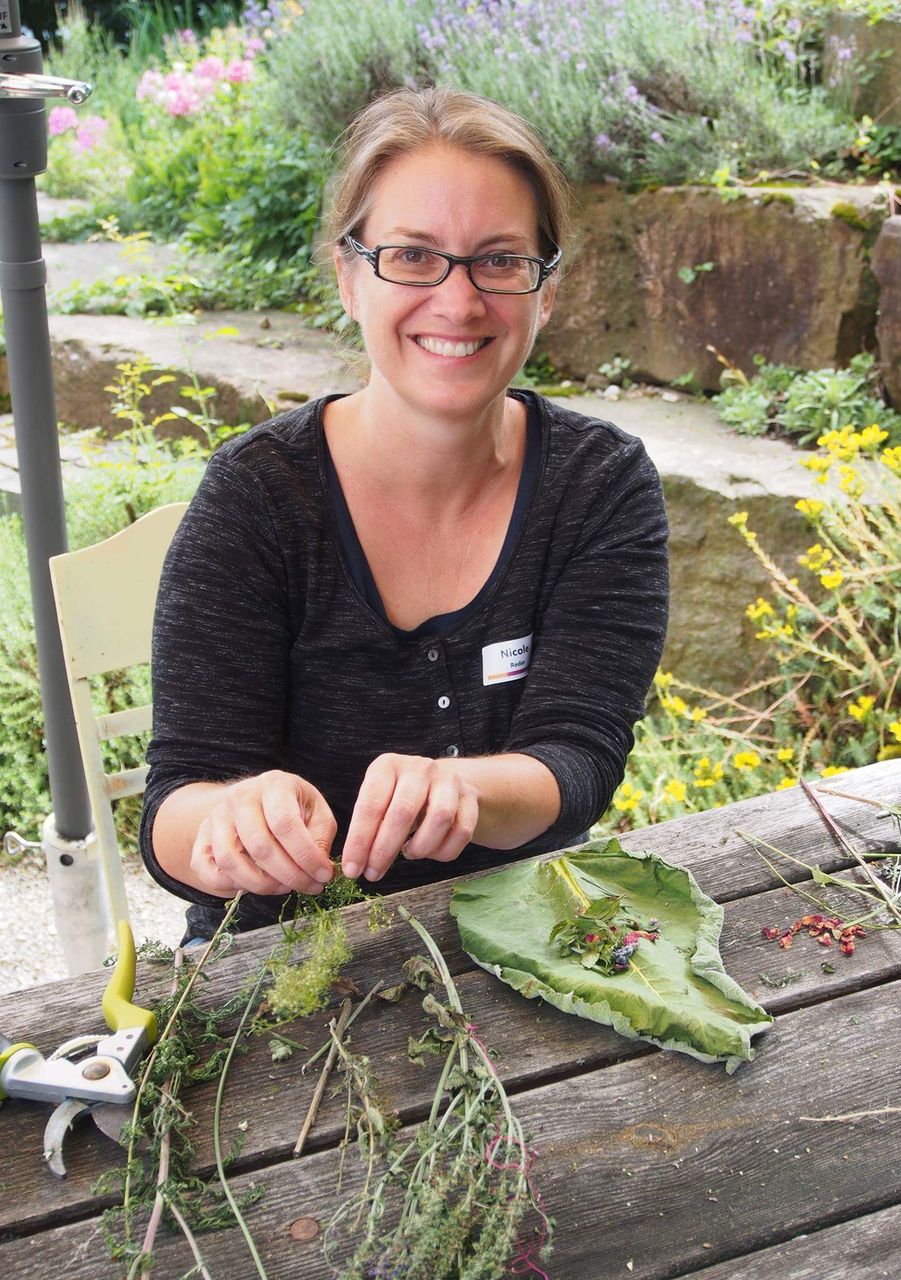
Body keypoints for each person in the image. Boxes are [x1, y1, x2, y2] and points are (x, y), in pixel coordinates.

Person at [140, 86, 670, 942]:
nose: (459, 303)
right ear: (349, 276)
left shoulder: (598, 486)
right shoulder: (258, 497)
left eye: (499, 260)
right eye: (413, 257)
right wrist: (232, 818)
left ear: (548, 292)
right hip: (282, 967)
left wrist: (469, 790)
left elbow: (579, 757)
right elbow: (174, 806)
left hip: (520, 946)